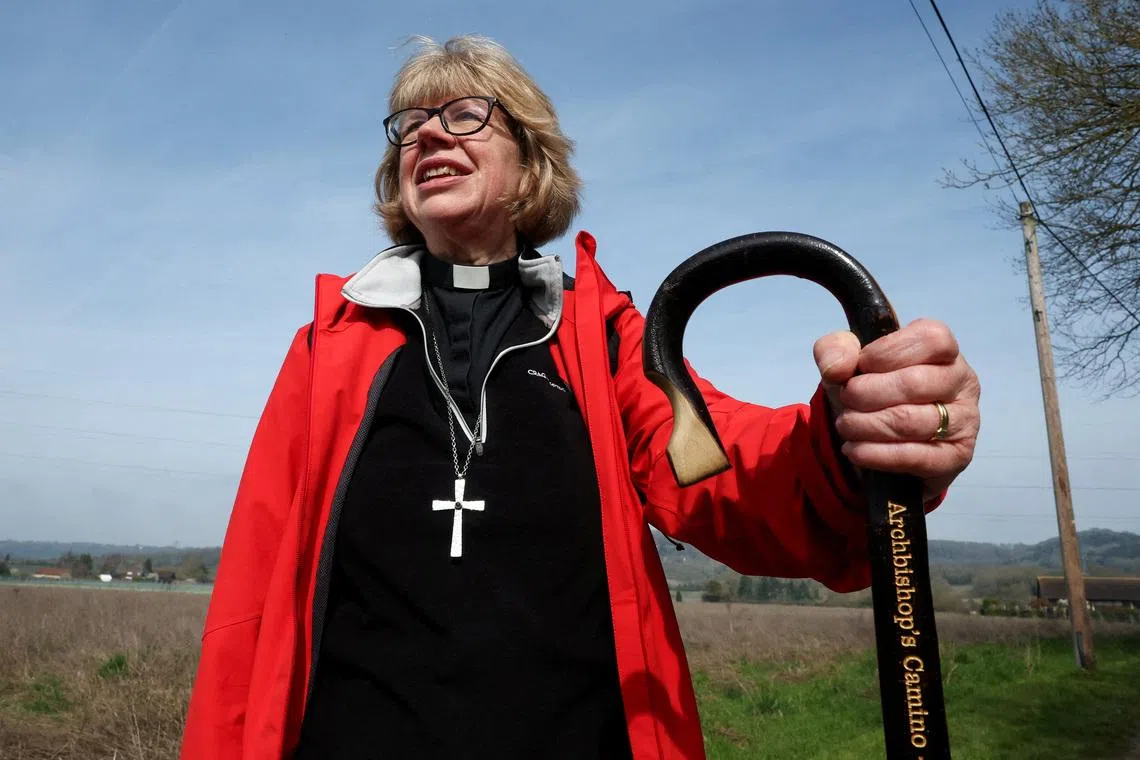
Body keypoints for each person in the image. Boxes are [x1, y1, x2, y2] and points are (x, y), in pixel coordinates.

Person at [180, 34, 981, 760]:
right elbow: (252, 600)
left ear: (531, 163)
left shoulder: (601, 338)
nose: (427, 135)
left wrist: (851, 442)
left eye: (464, 115)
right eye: (408, 127)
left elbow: (718, 471)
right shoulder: (329, 345)